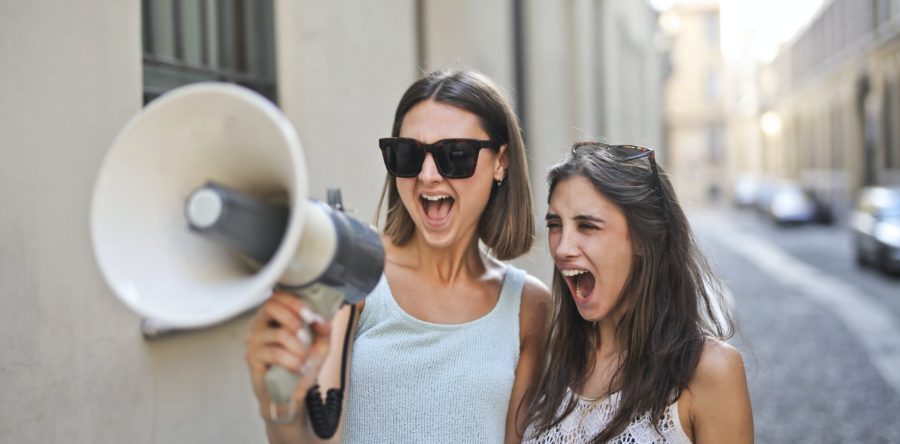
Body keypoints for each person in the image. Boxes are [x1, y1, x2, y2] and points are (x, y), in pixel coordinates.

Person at [244, 69, 550, 443]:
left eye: (455, 155)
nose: (427, 175)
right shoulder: (357, 273)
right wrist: (279, 408)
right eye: (407, 154)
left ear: (501, 162)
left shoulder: (530, 308)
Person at [520, 142, 753, 443]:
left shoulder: (710, 371)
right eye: (555, 225)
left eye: (587, 226)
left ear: (644, 239)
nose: (562, 248)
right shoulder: (548, 357)